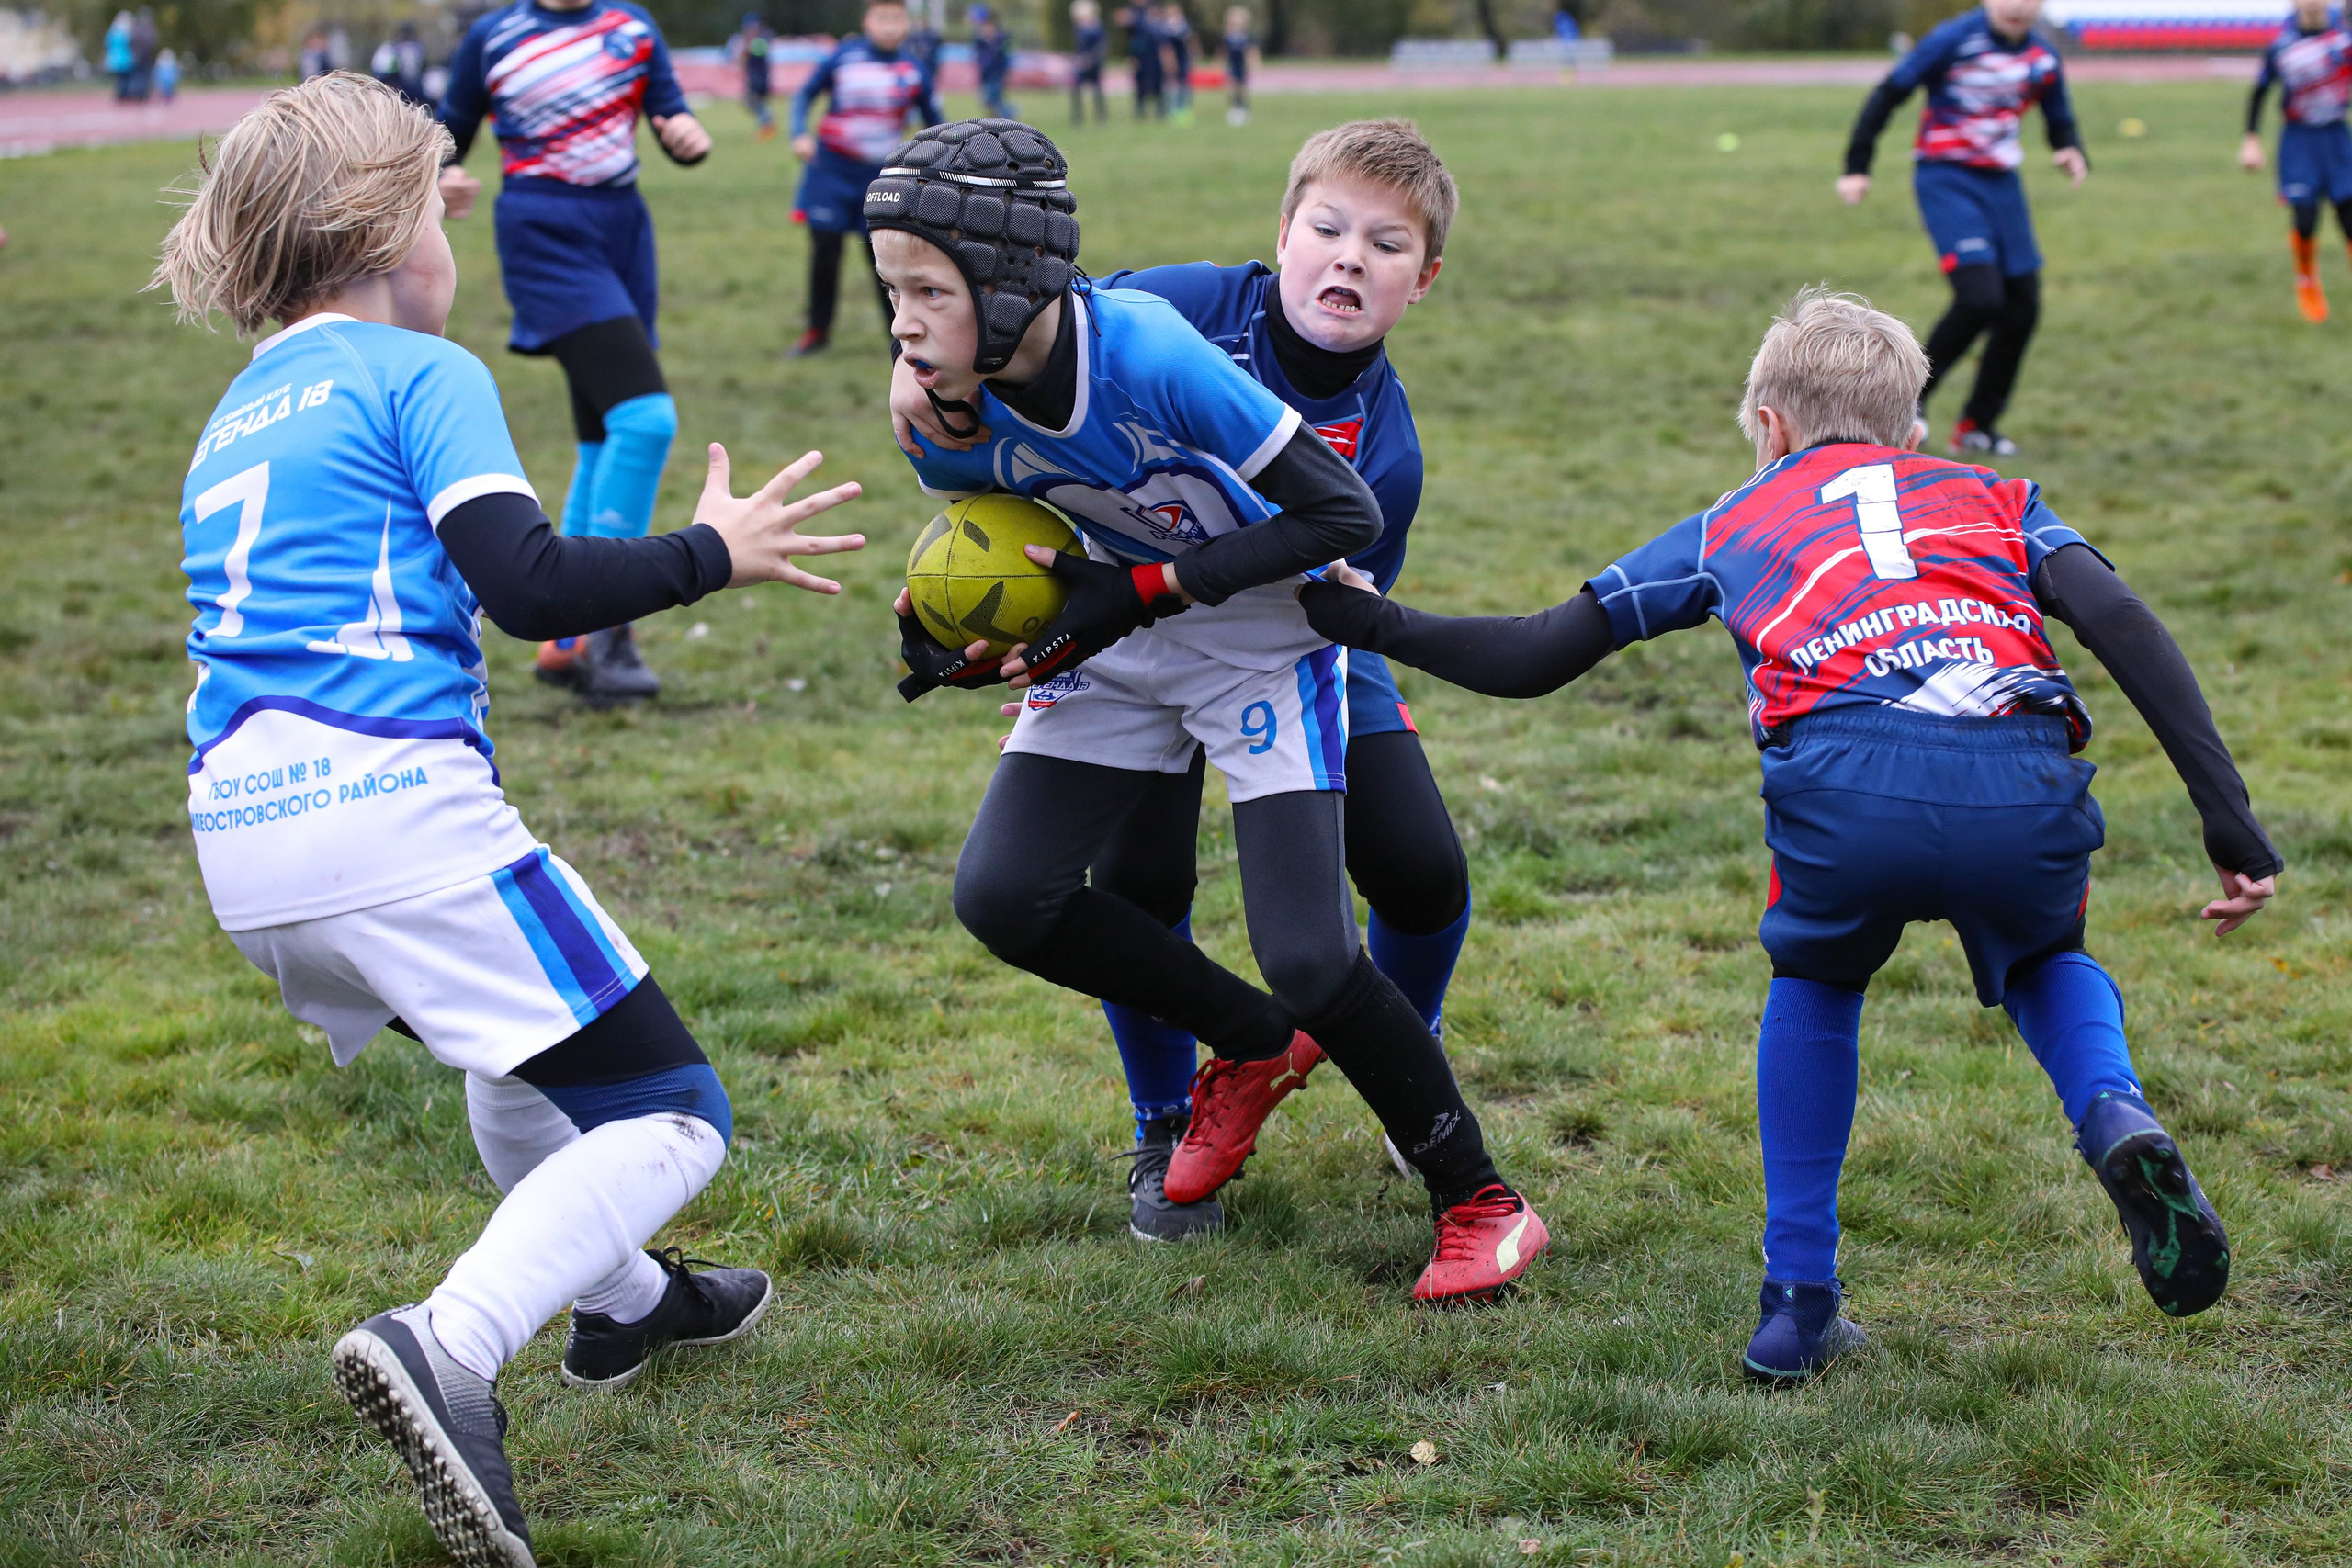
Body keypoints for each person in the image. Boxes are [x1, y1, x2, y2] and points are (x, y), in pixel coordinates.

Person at [1302, 288, 2278, 1379]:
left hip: (1847, 782)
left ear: (1767, 428)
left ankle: (1797, 1304)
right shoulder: (1998, 497)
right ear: (1911, 432)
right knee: (2047, 954)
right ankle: (2111, 1110)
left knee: (1817, 982)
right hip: (2018, 771)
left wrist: (1369, 619)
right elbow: (2127, 625)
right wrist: (2226, 816)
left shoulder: (1733, 520)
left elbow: (1532, 656)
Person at [153, 73, 865, 1566]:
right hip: (391, 814)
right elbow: (530, 582)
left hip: (244, 835)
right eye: (436, 204)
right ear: (394, 234)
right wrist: (708, 552)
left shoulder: (236, 414)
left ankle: (629, 1307)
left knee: (525, 1056)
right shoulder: (421, 366)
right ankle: (449, 1343)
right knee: (675, 1109)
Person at [874, 119, 1549, 1301]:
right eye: (1325, 229)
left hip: (1274, 638)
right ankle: (1224, 1062)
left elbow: (1337, 548)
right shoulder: (1119, 321)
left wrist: (1130, 594)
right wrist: (978, 626)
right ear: (1280, 234)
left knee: (1337, 929)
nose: (1345, 258)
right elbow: (1010, 495)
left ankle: (1476, 1192)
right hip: (1127, 631)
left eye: (1381, 243)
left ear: (1422, 275)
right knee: (1010, 895)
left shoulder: (1331, 430)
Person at [437, 0, 713, 707]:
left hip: (624, 230)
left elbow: (667, 107)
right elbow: (447, 137)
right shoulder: (494, 37)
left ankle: (566, 639)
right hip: (543, 231)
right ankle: (607, 633)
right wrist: (438, 177)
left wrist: (680, 130)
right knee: (645, 419)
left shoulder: (633, 26)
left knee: (601, 436)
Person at [1838, 0, 2086, 458]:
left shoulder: (2042, 57)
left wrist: (2069, 149)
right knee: (1979, 298)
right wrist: (1858, 166)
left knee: (2022, 307)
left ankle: (1978, 424)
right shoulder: (1953, 40)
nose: (2016, 6)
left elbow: (2058, 115)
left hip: (2002, 185)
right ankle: (1907, 401)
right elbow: (1890, 91)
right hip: (1945, 178)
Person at [787, 0, 943, 356]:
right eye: (882, 18)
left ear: (906, 24)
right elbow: (805, 94)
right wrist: (799, 132)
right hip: (830, 172)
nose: (889, 26)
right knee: (825, 251)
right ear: (867, 21)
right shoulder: (843, 58)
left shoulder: (913, 69)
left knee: (883, 260)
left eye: (896, 19)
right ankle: (816, 332)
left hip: (880, 180)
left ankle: (901, 338)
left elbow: (936, 125)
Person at [2239, 0, 2352, 322]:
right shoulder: (2283, 44)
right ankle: (2307, 280)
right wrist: (2251, 140)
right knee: (2306, 218)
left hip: (2337, 136)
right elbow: (2259, 92)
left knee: (2349, 218)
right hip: (2299, 140)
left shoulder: (2344, 35)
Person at [731, 11, 777, 140]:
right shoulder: (749, 40)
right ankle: (767, 123)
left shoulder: (761, 39)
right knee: (753, 102)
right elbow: (741, 59)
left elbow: (756, 51)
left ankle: (767, 124)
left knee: (753, 101)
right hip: (754, 76)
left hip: (760, 77)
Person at [973, 4, 1016, 119]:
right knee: (987, 100)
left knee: (995, 98)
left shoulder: (1000, 40)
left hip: (997, 74)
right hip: (986, 74)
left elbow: (1006, 57)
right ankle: (995, 118)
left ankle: (1008, 115)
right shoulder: (981, 42)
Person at [1122, 3, 1163, 118]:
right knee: (1140, 83)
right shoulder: (1132, 13)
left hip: (1154, 55)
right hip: (1139, 55)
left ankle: (1160, 109)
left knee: (1157, 82)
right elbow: (1130, 38)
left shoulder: (1153, 10)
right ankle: (1140, 110)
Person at [373, 21, 428, 105]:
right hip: (394, 90)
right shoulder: (389, 48)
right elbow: (381, 73)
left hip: (414, 92)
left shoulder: (418, 48)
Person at [1071, 0, 1108, 122]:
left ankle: (1101, 115)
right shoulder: (1080, 29)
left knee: (1096, 89)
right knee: (1076, 89)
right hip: (1082, 62)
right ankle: (1078, 117)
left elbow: (1100, 47)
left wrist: (1091, 59)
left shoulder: (1096, 28)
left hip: (1093, 63)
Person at [1157, 1, 1193, 121]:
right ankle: (1171, 110)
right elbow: (1165, 46)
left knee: (1183, 84)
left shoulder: (1183, 26)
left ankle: (1183, 110)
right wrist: (1168, 61)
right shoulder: (1164, 27)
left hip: (1182, 59)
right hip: (1170, 59)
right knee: (1170, 84)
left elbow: (1187, 41)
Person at [1221, 6, 1253, 126]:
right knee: (1232, 89)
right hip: (1232, 68)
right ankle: (1234, 109)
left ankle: (1243, 109)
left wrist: (1251, 64)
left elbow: (1248, 53)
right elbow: (1224, 52)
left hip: (1241, 68)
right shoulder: (1228, 38)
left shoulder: (1245, 38)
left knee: (1242, 89)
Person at [106, 10, 135, 101]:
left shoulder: (112, 31)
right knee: (124, 79)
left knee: (119, 80)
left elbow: (107, 44)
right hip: (124, 59)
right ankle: (123, 95)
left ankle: (120, 95)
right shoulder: (127, 32)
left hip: (116, 60)